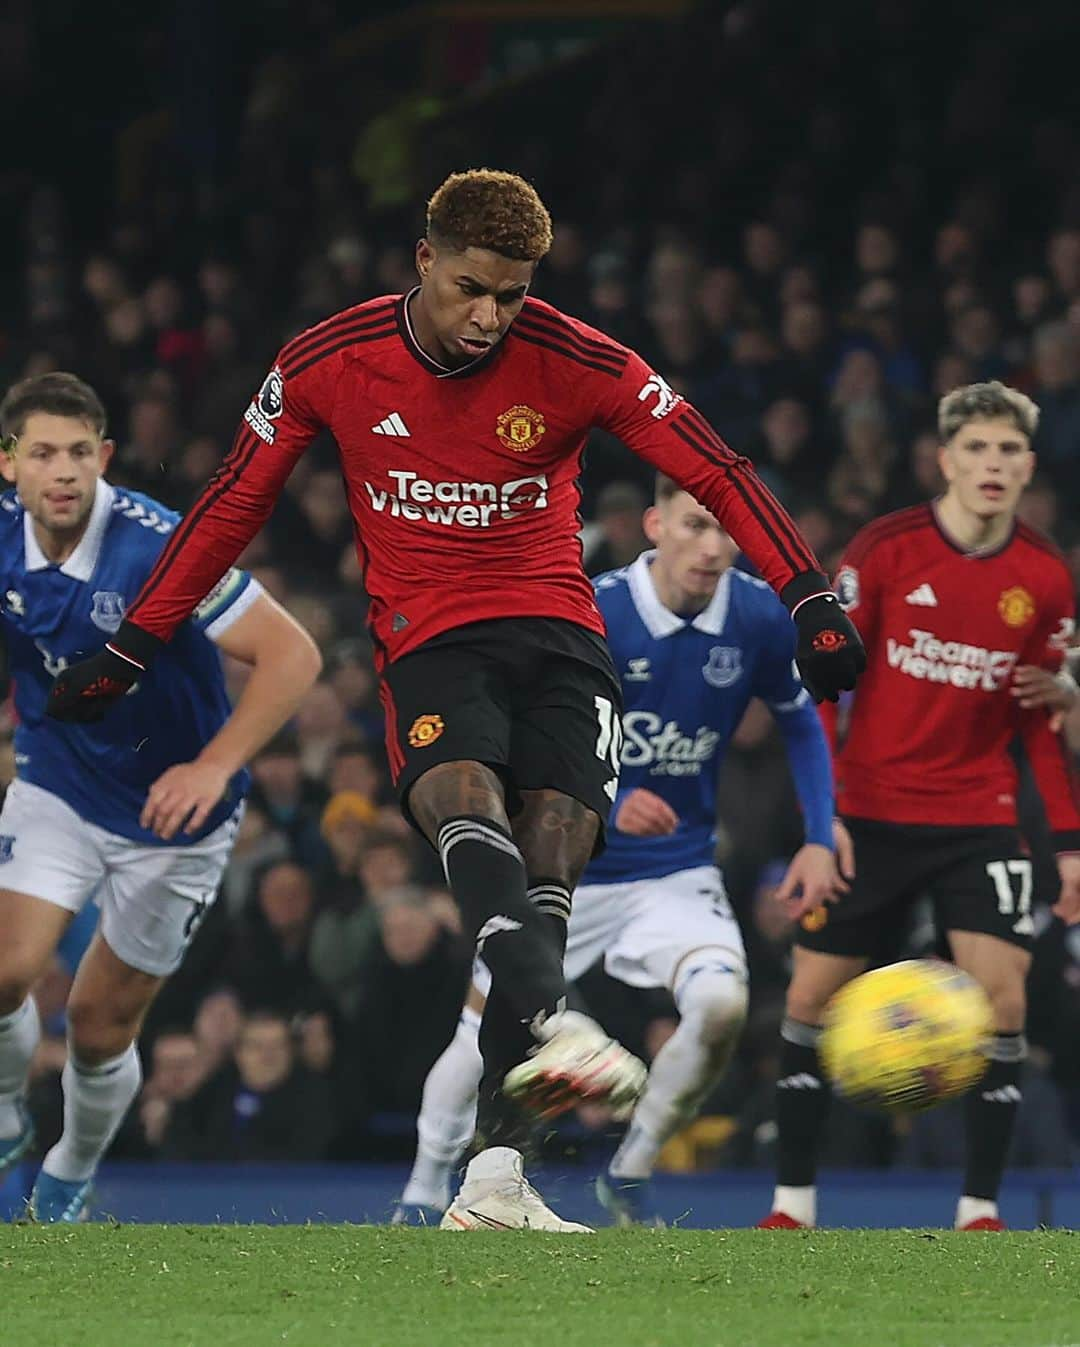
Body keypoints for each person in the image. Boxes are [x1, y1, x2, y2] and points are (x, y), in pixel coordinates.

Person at [47, 171, 863, 1229]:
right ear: (423, 259)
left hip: (560, 631)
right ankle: (556, 1020)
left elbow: (715, 469)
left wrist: (805, 591)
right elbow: (229, 504)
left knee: (559, 846)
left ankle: (493, 1182)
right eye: (473, 288)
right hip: (430, 634)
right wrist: (135, 642)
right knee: (464, 797)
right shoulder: (328, 361)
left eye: (513, 295)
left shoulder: (577, 360)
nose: (490, 317)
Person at [394, 475, 849, 1228]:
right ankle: (419, 1192)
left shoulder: (760, 616)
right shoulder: (593, 608)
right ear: (653, 524)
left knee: (720, 1003)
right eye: (695, 525)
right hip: (561, 865)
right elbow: (522, 724)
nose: (712, 547)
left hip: (675, 867)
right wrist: (613, 786)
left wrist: (820, 835)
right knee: (480, 1033)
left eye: (725, 530)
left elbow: (800, 720)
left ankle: (630, 1171)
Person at [758, 380, 1080, 1234]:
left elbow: (1041, 722)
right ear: (946, 459)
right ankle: (792, 1205)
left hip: (979, 815)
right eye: (977, 448)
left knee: (1003, 1000)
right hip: (869, 814)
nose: (993, 465)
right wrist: (822, 817)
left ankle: (978, 1210)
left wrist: (1074, 846)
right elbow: (822, 689)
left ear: (1028, 467)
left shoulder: (1044, 577)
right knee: (808, 998)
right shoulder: (887, 550)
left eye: (1009, 451)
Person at [0, 372, 321, 1221]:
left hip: (173, 817)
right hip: (61, 781)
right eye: (42, 453)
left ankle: (70, 1169)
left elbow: (293, 658)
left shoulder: (161, 545)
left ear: (104, 457)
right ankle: (4, 1119)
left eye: (78, 452)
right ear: (10, 465)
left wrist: (214, 766)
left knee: (102, 1027)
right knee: (4, 971)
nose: (62, 471)